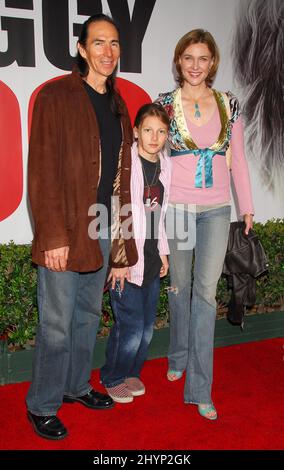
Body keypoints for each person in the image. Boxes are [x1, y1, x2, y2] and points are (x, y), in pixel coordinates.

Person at [26, 14, 137, 440]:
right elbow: (42, 172)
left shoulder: (118, 103)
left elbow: (122, 180)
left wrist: (121, 244)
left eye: (114, 44)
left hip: (102, 223)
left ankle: (74, 386)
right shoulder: (56, 96)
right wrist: (52, 236)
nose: (108, 52)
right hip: (66, 224)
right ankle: (42, 404)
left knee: (88, 314)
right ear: (82, 48)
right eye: (99, 43)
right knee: (56, 322)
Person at [156, 29, 254, 420]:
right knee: (179, 289)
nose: (195, 66)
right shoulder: (163, 105)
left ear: (212, 63)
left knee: (205, 295)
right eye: (188, 58)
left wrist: (245, 207)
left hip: (216, 209)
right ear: (179, 62)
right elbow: (152, 156)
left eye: (203, 58)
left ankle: (200, 387)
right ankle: (178, 352)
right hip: (177, 208)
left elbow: (240, 160)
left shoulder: (228, 103)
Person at [100, 103, 171, 403]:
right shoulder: (125, 164)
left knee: (145, 330)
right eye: (148, 130)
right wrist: (119, 260)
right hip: (127, 261)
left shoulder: (166, 166)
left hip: (152, 261)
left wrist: (164, 252)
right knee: (128, 326)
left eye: (161, 131)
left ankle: (131, 372)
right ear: (136, 132)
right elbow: (117, 213)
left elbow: (160, 216)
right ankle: (112, 376)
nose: (154, 137)